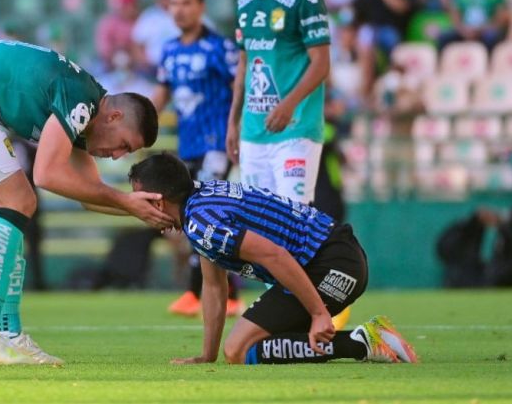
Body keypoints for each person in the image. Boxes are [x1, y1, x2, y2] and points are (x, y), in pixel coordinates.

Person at [0, 39, 171, 366]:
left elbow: (89, 193)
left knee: (13, 209)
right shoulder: (82, 102)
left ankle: (9, 334)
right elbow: (46, 175)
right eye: (124, 145)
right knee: (20, 199)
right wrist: (127, 202)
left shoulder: (85, 105)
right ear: (113, 116)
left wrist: (137, 209)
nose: (117, 156)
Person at [125, 153, 419, 365]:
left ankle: (363, 342)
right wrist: (207, 356)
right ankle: (360, 340)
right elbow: (214, 287)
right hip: (334, 255)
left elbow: (274, 254)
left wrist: (319, 314)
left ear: (158, 201)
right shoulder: (199, 202)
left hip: (332, 265)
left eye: (139, 199)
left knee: (239, 350)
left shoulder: (201, 222)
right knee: (244, 347)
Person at [153, 0, 244, 316]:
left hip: (217, 144)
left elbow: (240, 88)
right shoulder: (169, 50)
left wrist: (238, 130)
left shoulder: (220, 48)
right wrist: (140, 125)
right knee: (189, 218)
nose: (180, 9)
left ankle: (208, 293)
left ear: (201, 6)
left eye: (187, 3)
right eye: (174, 4)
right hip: (187, 147)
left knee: (206, 216)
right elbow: (161, 94)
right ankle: (214, 292)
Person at [227, 0, 331, 205]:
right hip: (253, 134)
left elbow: (322, 63)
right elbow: (244, 64)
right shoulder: (244, 3)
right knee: (258, 223)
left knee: (292, 218)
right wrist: (232, 122)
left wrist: (289, 105)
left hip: (295, 131)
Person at [437, 0, 508, 52]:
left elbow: (500, 19)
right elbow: (455, 14)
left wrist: (481, 30)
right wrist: (463, 30)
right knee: (444, 37)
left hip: (485, 30)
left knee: (492, 37)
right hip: (464, 29)